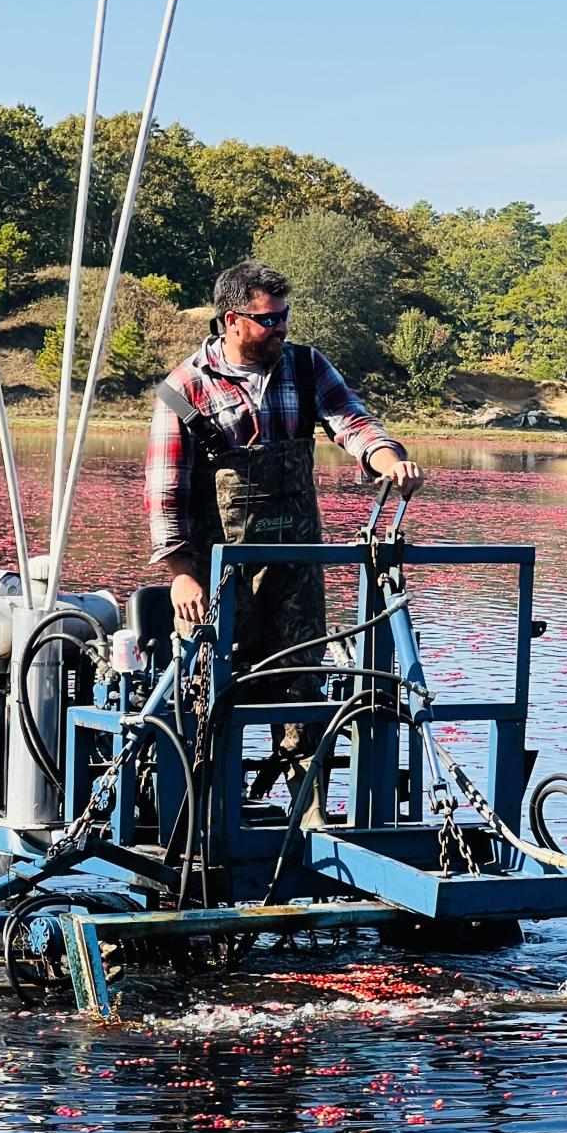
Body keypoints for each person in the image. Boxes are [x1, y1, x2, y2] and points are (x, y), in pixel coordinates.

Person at [146, 260, 423, 813]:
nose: (281, 328)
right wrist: (180, 575)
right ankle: (202, 815)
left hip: (296, 563)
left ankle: (307, 812)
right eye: (268, 319)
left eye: (284, 316)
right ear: (232, 320)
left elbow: (350, 420)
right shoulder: (185, 390)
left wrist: (387, 456)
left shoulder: (305, 367)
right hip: (215, 574)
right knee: (212, 688)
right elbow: (164, 492)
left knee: (302, 679)